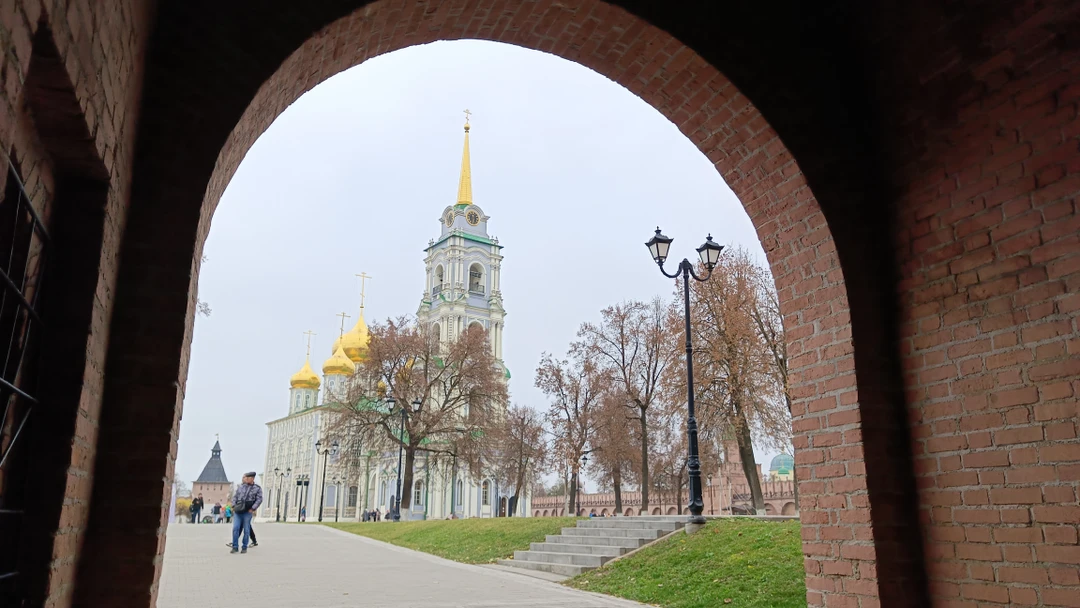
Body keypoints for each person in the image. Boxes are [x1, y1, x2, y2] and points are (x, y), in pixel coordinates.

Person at [229, 472, 262, 554]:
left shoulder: (257, 488)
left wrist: (253, 508)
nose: (246, 479)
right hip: (238, 511)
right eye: (245, 478)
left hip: (247, 511)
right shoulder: (241, 487)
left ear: (252, 478)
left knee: (246, 530)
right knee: (235, 528)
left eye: (247, 478)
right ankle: (235, 546)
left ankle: (244, 547)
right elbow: (235, 497)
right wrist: (233, 506)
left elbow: (259, 499)